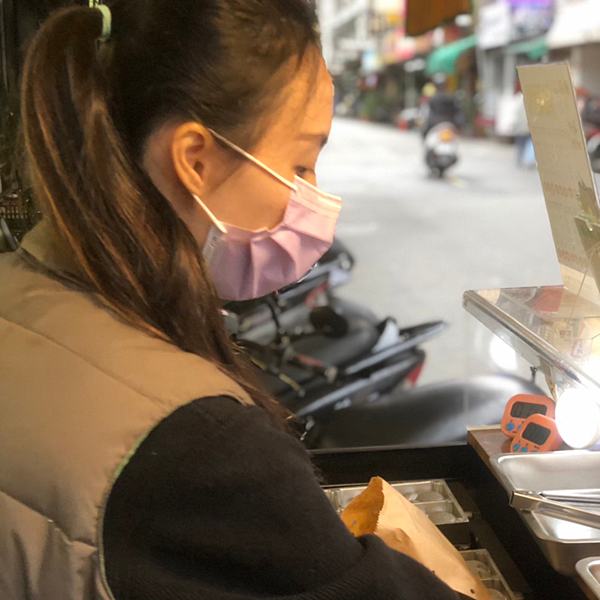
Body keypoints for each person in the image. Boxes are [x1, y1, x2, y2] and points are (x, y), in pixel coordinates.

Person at [0, 2, 466, 599]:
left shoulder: (22, 289)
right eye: (301, 163)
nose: (316, 197)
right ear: (195, 160)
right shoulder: (203, 446)